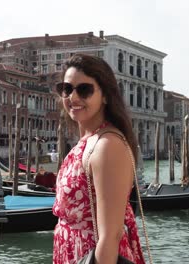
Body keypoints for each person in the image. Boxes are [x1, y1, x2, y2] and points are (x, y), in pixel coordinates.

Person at [52, 54, 145, 263]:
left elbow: (109, 237)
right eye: (67, 89)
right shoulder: (88, 140)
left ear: (105, 95)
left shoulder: (107, 146)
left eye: (84, 90)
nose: (73, 98)